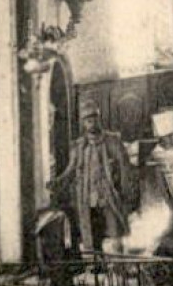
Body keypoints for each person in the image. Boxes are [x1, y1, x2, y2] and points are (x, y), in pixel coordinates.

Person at [48, 101, 137, 253]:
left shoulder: (113, 141)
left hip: (109, 196)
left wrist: (126, 192)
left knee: (115, 234)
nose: (91, 123)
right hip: (87, 198)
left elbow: (125, 168)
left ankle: (119, 266)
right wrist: (57, 182)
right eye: (88, 120)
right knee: (92, 234)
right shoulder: (79, 146)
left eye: (94, 119)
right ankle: (98, 267)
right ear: (83, 124)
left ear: (99, 119)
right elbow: (70, 170)